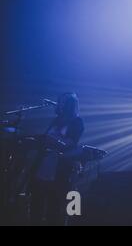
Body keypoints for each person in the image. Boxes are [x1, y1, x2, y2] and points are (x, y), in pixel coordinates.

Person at [30, 92, 84, 225]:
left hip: (59, 168)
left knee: (53, 208)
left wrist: (51, 140)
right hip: (43, 165)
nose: (59, 104)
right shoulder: (56, 119)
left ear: (69, 105)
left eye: (63, 102)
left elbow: (71, 144)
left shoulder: (77, 122)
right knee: (36, 205)